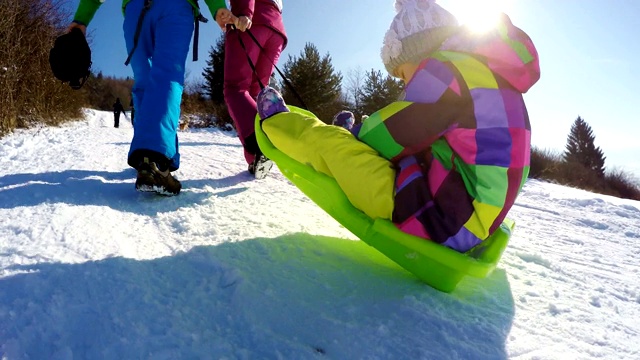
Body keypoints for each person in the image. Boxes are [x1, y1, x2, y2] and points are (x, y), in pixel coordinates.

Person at [256, 0, 540, 253]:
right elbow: (422, 133)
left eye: (403, 74)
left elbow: (391, 133)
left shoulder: (444, 70)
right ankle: (347, 129)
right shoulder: (486, 76)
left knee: (337, 149)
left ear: (420, 52)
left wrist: (352, 137)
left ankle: (279, 122)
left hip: (443, 221)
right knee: (386, 145)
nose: (404, 84)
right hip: (475, 216)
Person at [67, 0, 226, 196]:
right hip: (175, 7)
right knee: (167, 75)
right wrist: (218, 7)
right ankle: (156, 160)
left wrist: (81, 18)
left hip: (137, 9)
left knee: (144, 81)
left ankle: (147, 156)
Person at [212, 0, 287, 179]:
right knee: (255, 94)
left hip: (251, 21)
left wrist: (245, 11)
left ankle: (261, 143)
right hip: (276, 29)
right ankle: (255, 157)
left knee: (235, 88)